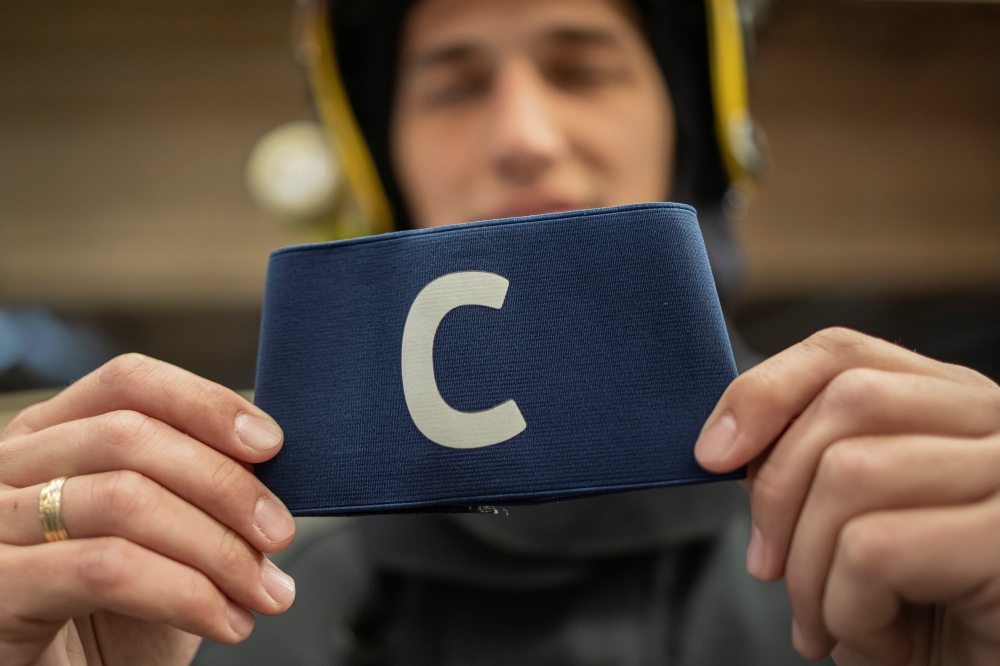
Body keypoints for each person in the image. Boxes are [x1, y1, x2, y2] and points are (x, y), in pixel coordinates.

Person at [1, 0, 998, 664]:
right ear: (381, 161)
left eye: (581, 68)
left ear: (690, 126)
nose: (524, 136)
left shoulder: (904, 558)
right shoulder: (216, 604)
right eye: (456, 85)